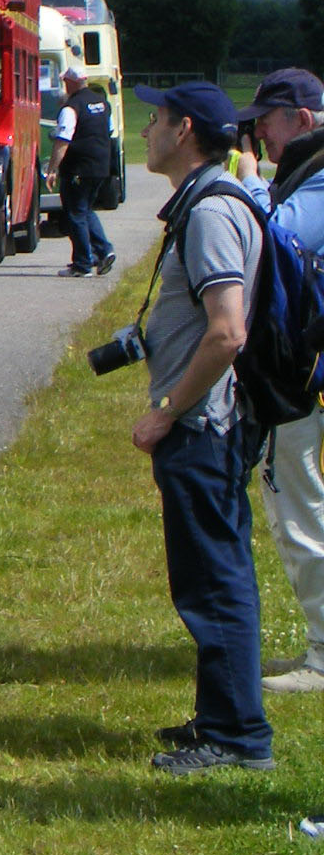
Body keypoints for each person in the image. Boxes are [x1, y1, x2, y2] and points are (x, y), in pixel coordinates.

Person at [130, 80, 272, 774]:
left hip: (204, 427)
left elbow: (226, 333)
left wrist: (168, 411)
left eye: (155, 119)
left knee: (214, 584)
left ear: (184, 130)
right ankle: (221, 717)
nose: (147, 130)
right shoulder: (213, 200)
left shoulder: (212, 212)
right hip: (213, 423)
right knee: (215, 575)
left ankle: (237, 739)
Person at [232, 69, 324, 699]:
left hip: (306, 376)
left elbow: (278, 238)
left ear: (305, 120)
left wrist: (250, 183)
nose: (259, 129)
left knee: (302, 507)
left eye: (269, 117)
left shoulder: (319, 176)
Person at [50, 64, 118, 277]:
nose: (64, 84)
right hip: (101, 166)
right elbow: (109, 131)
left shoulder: (71, 108)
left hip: (78, 168)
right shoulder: (102, 103)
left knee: (76, 214)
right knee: (85, 210)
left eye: (65, 81)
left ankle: (82, 264)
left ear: (71, 82)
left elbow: (63, 141)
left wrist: (52, 169)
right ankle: (104, 251)